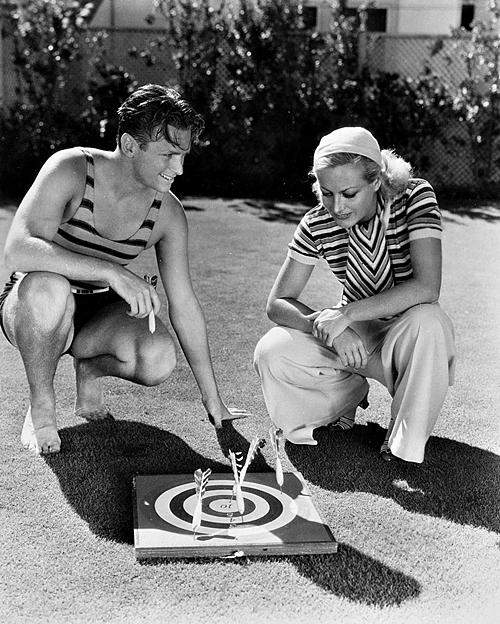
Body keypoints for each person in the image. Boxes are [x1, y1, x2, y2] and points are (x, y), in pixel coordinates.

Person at [0, 83, 248, 455]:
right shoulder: (71, 168)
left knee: (158, 359)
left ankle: (89, 369)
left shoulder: (167, 212)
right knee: (50, 288)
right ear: (131, 146)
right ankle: (42, 408)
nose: (178, 168)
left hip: (98, 314)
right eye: (168, 154)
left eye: (183, 156)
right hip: (33, 304)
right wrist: (113, 272)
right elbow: (18, 250)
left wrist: (214, 401)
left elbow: (184, 305)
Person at [253, 126, 455, 463]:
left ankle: (403, 437)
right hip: (355, 341)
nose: (337, 206)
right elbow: (278, 303)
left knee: (429, 319)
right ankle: (347, 397)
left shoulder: (414, 196)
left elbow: (427, 287)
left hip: (408, 336)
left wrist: (347, 315)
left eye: (349, 193)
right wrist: (334, 329)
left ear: (376, 181)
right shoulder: (316, 221)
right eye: (326, 193)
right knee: (272, 351)